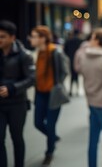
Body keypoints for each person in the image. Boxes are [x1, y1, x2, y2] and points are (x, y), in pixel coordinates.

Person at [74, 28, 102, 167]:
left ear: (97, 41)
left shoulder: (84, 55)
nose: (89, 40)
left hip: (90, 101)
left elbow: (77, 68)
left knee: (93, 140)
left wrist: (81, 49)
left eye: (92, 38)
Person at [28, 25, 67, 166]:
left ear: (42, 38)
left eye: (33, 36)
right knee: (37, 123)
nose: (30, 39)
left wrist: (58, 85)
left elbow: (64, 71)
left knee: (50, 125)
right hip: (40, 93)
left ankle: (49, 151)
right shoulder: (36, 53)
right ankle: (53, 138)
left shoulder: (55, 52)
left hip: (53, 94)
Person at [0, 20, 35, 167]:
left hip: (17, 104)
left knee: (17, 138)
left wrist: (12, 88)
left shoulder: (24, 55)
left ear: (12, 37)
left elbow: (32, 78)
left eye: (2, 36)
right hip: (0, 105)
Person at [64, 29, 83, 96]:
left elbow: (65, 51)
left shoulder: (68, 41)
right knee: (76, 75)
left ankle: (71, 90)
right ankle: (77, 90)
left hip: (70, 60)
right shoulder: (80, 41)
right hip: (78, 61)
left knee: (72, 75)